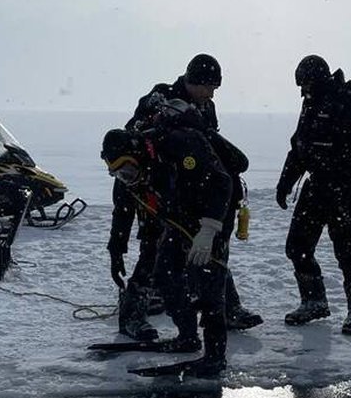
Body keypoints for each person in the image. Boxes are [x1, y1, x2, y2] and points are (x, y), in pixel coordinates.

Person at [107, 54, 261, 341]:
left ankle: (228, 308)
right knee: (154, 248)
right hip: (155, 184)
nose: (212, 93)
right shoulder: (160, 98)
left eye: (215, 88)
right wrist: (117, 244)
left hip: (193, 189)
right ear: (194, 81)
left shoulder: (206, 107)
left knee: (210, 249)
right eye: (208, 87)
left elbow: (210, 146)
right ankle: (132, 315)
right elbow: (134, 147)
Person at [100, 103, 232, 376]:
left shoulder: (180, 145)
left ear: (137, 153)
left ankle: (215, 356)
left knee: (209, 284)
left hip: (216, 212)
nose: (127, 178)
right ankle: (187, 336)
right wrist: (116, 250)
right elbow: (122, 213)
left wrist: (208, 231)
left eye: (127, 170)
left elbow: (222, 183)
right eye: (119, 174)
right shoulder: (133, 173)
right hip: (180, 218)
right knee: (165, 274)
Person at [274, 55, 351, 335]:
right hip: (317, 185)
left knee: (347, 249)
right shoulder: (310, 103)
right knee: (297, 246)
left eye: (305, 84)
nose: (302, 91)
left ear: (318, 79)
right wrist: (285, 183)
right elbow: (300, 147)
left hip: (345, 189)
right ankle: (314, 301)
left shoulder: (350, 101)